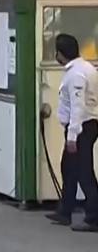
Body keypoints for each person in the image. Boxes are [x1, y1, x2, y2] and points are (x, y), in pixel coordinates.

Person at [46, 34, 98, 232]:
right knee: (68, 167)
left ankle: (94, 216)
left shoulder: (76, 74)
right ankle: (65, 210)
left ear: (61, 53)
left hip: (82, 126)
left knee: (83, 172)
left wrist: (72, 137)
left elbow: (78, 107)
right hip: (85, 125)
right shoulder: (83, 68)